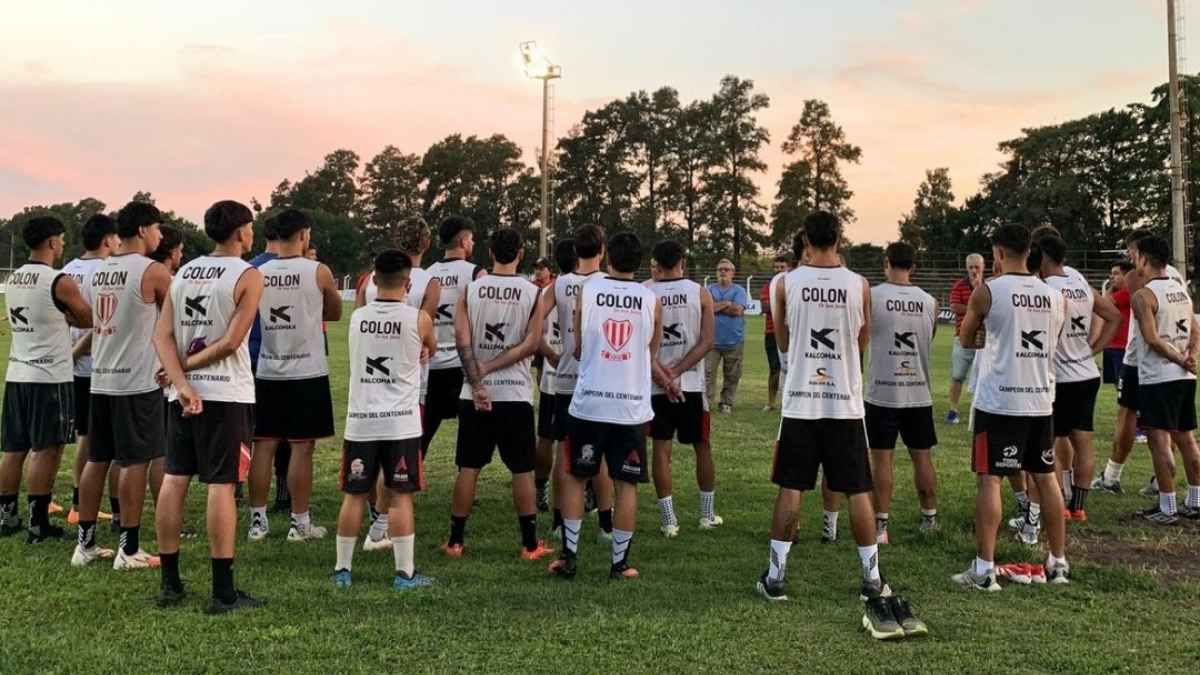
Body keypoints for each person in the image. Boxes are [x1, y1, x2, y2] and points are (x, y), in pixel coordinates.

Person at [755, 212, 922, 641]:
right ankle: (871, 578)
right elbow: (861, 340)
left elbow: (783, 341)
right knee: (858, 490)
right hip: (845, 403)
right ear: (839, 239)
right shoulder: (859, 284)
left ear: (806, 240)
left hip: (801, 401)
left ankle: (776, 577)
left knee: (791, 487)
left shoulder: (784, 283)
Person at [153, 199, 264, 614]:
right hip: (227, 394)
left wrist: (181, 382)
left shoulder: (183, 273)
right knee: (222, 485)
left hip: (182, 395)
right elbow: (231, 342)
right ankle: (222, 592)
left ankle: (170, 585)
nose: (252, 233)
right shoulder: (247, 275)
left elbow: (161, 337)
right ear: (239, 232)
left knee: (175, 478)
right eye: (250, 226)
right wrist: (184, 371)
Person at [953, 224, 1069, 591]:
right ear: (1030, 251)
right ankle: (1058, 563)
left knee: (990, 478)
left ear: (999, 253)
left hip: (999, 401)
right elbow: (1054, 339)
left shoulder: (988, 291)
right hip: (1039, 399)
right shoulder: (1055, 296)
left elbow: (965, 337)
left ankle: (984, 569)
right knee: (1046, 477)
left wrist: (986, 336)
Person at [549, 231, 664, 581]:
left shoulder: (588, 290)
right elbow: (652, 350)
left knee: (575, 475)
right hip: (631, 406)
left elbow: (578, 347)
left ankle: (569, 557)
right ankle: (620, 564)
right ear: (638, 262)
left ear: (607, 257)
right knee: (626, 483)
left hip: (590, 402)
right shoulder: (650, 299)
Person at [72, 200, 171, 570]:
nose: (160, 236)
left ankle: (85, 544)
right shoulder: (153, 271)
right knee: (135, 462)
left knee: (97, 458)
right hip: (136, 381)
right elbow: (177, 319)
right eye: (157, 228)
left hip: (101, 378)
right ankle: (128, 549)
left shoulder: (102, 269)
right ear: (143, 229)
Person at [444, 227, 552, 560]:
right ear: (520, 253)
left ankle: (455, 542)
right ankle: (530, 545)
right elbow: (532, 344)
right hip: (515, 395)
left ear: (490, 253)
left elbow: (461, 341)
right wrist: (491, 367)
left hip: (474, 394)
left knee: (469, 467)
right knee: (522, 470)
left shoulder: (471, 289)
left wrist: (478, 380)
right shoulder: (533, 292)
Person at [332, 250, 437, 590]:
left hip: (362, 420)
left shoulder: (358, 317)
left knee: (354, 494)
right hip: (401, 423)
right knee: (401, 495)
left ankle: (342, 571)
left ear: (374, 280)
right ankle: (404, 574)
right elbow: (430, 347)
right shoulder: (419, 318)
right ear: (408, 284)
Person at [247, 209, 342, 543]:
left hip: (268, 368)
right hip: (307, 371)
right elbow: (334, 312)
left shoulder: (258, 272)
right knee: (302, 448)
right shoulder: (318, 270)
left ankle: (257, 523)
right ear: (303, 234)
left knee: (263, 445)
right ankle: (299, 524)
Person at [0, 216, 93, 543]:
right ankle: (38, 523)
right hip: (49, 376)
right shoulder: (59, 280)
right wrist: (67, 315)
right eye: (61, 239)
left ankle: (7, 516)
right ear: (52, 241)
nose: (63, 244)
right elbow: (87, 317)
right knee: (47, 448)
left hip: (17, 372)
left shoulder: (14, 277)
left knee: (14, 448)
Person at [358, 216, 440, 551]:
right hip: (408, 381)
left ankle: (376, 516)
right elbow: (426, 334)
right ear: (427, 242)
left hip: (369, 378)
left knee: (371, 453)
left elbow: (361, 321)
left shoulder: (370, 279)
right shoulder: (430, 282)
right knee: (399, 456)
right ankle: (381, 525)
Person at [1094, 231, 1189, 495]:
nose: (1130, 258)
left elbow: (1134, 310)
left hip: (1142, 357)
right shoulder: (1175, 276)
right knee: (1174, 425)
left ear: (1141, 253)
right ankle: (1164, 484)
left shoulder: (1138, 276)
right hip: (1176, 356)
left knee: (1131, 416)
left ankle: (1113, 477)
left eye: (1131, 252)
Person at [1036, 233, 1120, 523]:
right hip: (1086, 373)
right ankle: (1079, 507)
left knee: (1050, 441)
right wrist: (1093, 349)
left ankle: (1058, 502)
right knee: (1083, 441)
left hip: (1059, 377)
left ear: (1042, 256)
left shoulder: (1045, 288)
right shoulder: (1078, 279)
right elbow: (1114, 316)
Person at [539, 225, 616, 539]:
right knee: (602, 454)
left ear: (575, 251)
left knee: (564, 452)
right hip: (600, 379)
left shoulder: (559, 284)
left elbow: (533, 320)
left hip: (566, 378)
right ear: (602, 250)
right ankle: (606, 525)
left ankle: (560, 522)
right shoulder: (609, 283)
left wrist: (550, 353)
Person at [865, 242, 940, 544]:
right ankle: (929, 518)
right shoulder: (930, 302)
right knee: (922, 457)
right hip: (918, 391)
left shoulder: (872, 296)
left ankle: (880, 528)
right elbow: (929, 337)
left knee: (882, 460)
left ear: (887, 263)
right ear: (913, 266)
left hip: (882, 392)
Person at [646, 240, 719, 537]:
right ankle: (707, 515)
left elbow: (641, 345)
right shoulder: (699, 292)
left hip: (655, 385)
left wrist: (663, 376)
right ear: (682, 262)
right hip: (690, 384)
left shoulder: (646, 292)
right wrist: (677, 372)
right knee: (702, 446)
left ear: (656, 263)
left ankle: (669, 521)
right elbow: (708, 341)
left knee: (661, 449)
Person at [1130, 235, 1200, 523]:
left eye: (1136, 256)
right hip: (1185, 377)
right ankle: (1196, 501)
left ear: (1145, 259)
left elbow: (1151, 339)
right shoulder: (1181, 291)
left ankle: (1167, 507)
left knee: (1159, 441)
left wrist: (1179, 359)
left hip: (1159, 377)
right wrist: (1191, 357)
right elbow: (1195, 330)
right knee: (1187, 438)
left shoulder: (1143, 296)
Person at [63, 214, 119, 529]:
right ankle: (85, 506)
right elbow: (101, 324)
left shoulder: (68, 269)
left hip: (74, 367)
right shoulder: (105, 272)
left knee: (84, 435)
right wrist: (77, 352)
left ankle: (77, 502)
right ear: (108, 239)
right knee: (95, 441)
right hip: (95, 366)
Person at [423, 217, 485, 454]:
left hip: (431, 365)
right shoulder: (476, 273)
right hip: (462, 365)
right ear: (463, 241)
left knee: (421, 436)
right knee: (471, 438)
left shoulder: (428, 274)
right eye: (471, 239)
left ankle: (406, 473)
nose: (473, 243)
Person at [247, 215, 291, 514]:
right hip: (285, 360)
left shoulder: (248, 268)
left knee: (251, 430)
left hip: (249, 358)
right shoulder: (298, 269)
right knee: (285, 433)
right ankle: (283, 491)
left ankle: (237, 485)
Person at [535, 242, 573, 517]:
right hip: (580, 377)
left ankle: (542, 488)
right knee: (576, 439)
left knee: (547, 437)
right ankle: (587, 493)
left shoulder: (550, 291)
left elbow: (533, 329)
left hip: (553, 374)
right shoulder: (592, 287)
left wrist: (549, 354)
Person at [946, 253, 985, 424]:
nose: (974, 270)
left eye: (977, 267)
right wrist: (976, 308)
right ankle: (953, 410)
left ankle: (980, 410)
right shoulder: (959, 286)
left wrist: (971, 307)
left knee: (984, 378)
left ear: (983, 267)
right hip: (962, 338)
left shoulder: (989, 286)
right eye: (971, 267)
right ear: (966, 268)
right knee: (957, 376)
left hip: (984, 340)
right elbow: (954, 306)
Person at [705, 259, 747, 414]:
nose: (723, 272)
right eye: (720, 269)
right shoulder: (708, 290)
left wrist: (715, 306)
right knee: (708, 373)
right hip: (711, 341)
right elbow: (705, 309)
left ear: (733, 273)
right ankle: (706, 402)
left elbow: (737, 311)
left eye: (726, 269)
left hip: (734, 340)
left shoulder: (739, 291)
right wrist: (727, 303)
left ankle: (726, 403)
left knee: (732, 374)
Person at [762, 253, 792, 412]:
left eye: (782, 267)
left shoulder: (794, 285)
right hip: (771, 332)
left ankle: (790, 401)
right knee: (774, 367)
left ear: (789, 268)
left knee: (793, 368)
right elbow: (766, 307)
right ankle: (771, 402)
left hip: (792, 332)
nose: (779, 270)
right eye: (776, 267)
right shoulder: (768, 286)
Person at [1102, 261, 1135, 391]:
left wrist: (1110, 288)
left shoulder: (1127, 292)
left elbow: (1104, 303)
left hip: (1121, 346)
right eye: (1111, 274)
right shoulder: (1118, 292)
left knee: (1123, 387)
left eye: (1116, 274)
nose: (1112, 277)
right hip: (1111, 344)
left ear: (1126, 276)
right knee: (1117, 384)